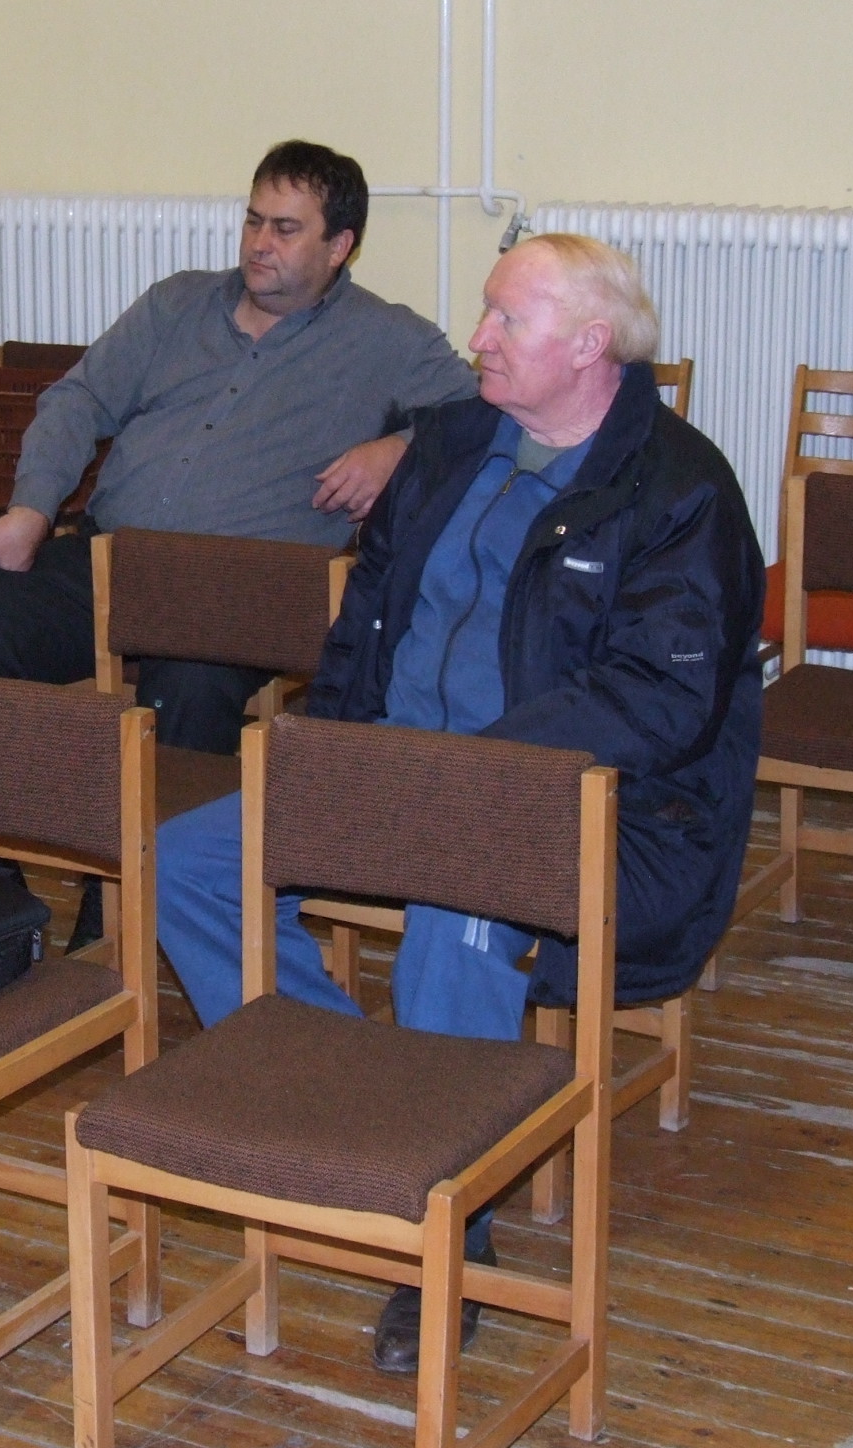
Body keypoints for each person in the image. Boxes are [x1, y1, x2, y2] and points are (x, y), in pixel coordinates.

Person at [153, 233, 764, 1373]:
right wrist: (326, 758)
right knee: (187, 864)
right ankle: (355, 1104)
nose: (476, 337)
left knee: (456, 910)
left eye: (506, 320)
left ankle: (447, 1226)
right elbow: (364, 622)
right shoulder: (446, 443)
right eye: (485, 312)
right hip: (396, 767)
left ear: (589, 346)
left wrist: (469, 777)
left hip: (574, 800)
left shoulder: (679, 491)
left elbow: (659, 703)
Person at [0, 139, 478, 758]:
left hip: (242, 586)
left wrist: (399, 450)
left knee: (190, 689)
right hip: (114, 559)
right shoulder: (177, 303)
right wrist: (30, 510)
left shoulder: (389, 339)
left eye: (285, 229)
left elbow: (483, 419)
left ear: (339, 246)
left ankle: (165, 826)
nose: (259, 243)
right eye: (253, 220)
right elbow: (77, 399)